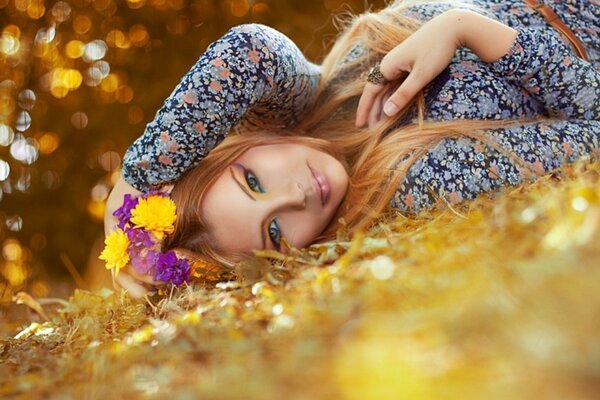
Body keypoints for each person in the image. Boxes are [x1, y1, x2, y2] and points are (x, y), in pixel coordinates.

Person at [104, 0, 600, 296]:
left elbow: (248, 54)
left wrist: (137, 183)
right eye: (275, 231)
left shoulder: (312, 97)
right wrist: (467, 28)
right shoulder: (414, 181)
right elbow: (591, 134)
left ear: (253, 141)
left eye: (253, 182)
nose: (294, 196)